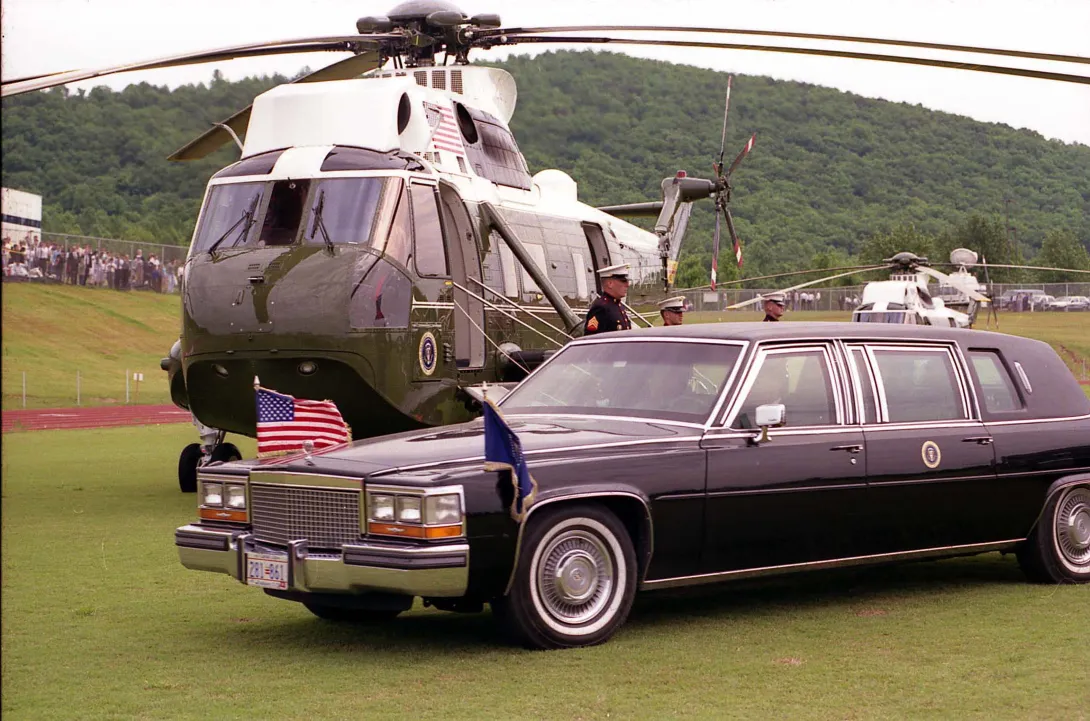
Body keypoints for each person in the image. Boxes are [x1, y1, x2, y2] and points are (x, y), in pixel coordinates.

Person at [584, 263, 632, 335]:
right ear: (610, 284)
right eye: (623, 281)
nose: (627, 285)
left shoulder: (618, 306)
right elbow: (592, 338)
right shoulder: (601, 308)